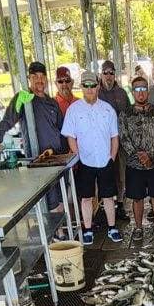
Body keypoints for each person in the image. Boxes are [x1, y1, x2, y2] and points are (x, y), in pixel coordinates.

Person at [0, 61, 67, 210]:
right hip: (38, 160)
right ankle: (56, 232)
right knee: (46, 199)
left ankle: (62, 231)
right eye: (35, 76)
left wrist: (67, 152)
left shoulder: (52, 102)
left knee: (60, 195)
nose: (39, 80)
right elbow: (8, 119)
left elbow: (61, 129)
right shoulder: (24, 98)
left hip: (57, 158)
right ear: (29, 79)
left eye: (42, 76)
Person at [62, 70, 121, 246]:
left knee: (109, 196)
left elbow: (114, 136)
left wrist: (112, 157)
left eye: (93, 85)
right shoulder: (73, 109)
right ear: (82, 87)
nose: (89, 89)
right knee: (86, 197)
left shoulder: (107, 109)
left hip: (105, 159)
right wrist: (77, 156)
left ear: (98, 87)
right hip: (85, 161)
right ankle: (87, 230)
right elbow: (70, 136)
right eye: (86, 85)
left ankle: (112, 228)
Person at [118, 76, 154, 242]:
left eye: (143, 88)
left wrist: (150, 155)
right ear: (133, 92)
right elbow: (123, 138)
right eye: (137, 89)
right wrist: (138, 155)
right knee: (137, 198)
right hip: (134, 164)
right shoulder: (125, 114)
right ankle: (138, 228)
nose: (141, 93)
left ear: (148, 90)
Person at [98, 60, 130, 220]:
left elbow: (130, 116)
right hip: (101, 143)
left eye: (111, 73)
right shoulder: (95, 92)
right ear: (101, 74)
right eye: (105, 72)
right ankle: (104, 205)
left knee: (120, 174)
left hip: (121, 142)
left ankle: (121, 204)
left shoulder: (122, 93)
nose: (109, 76)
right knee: (104, 173)